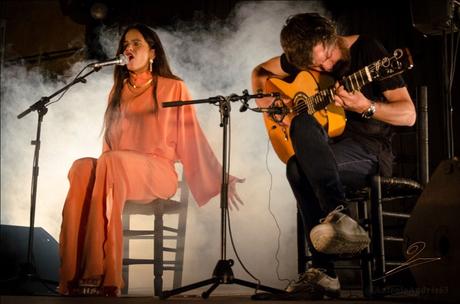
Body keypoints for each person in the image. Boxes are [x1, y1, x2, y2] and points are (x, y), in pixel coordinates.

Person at [59, 23, 244, 296]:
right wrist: (101, 174)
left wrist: (220, 178)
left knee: (110, 161)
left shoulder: (173, 87)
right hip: (119, 169)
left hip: (157, 173)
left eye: (136, 44)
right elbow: (109, 145)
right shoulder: (118, 91)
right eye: (125, 45)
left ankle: (100, 273)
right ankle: (73, 275)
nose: (128, 49)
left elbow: (193, 140)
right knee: (82, 167)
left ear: (153, 52)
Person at [251, 13, 415, 299]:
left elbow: (409, 115)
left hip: (370, 151)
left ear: (331, 35)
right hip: (326, 150)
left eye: (326, 55)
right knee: (299, 133)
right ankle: (340, 219)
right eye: (316, 65)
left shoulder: (369, 50)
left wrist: (366, 106)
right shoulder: (305, 56)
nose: (326, 65)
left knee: (296, 167)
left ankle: (325, 268)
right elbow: (261, 73)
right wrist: (274, 103)